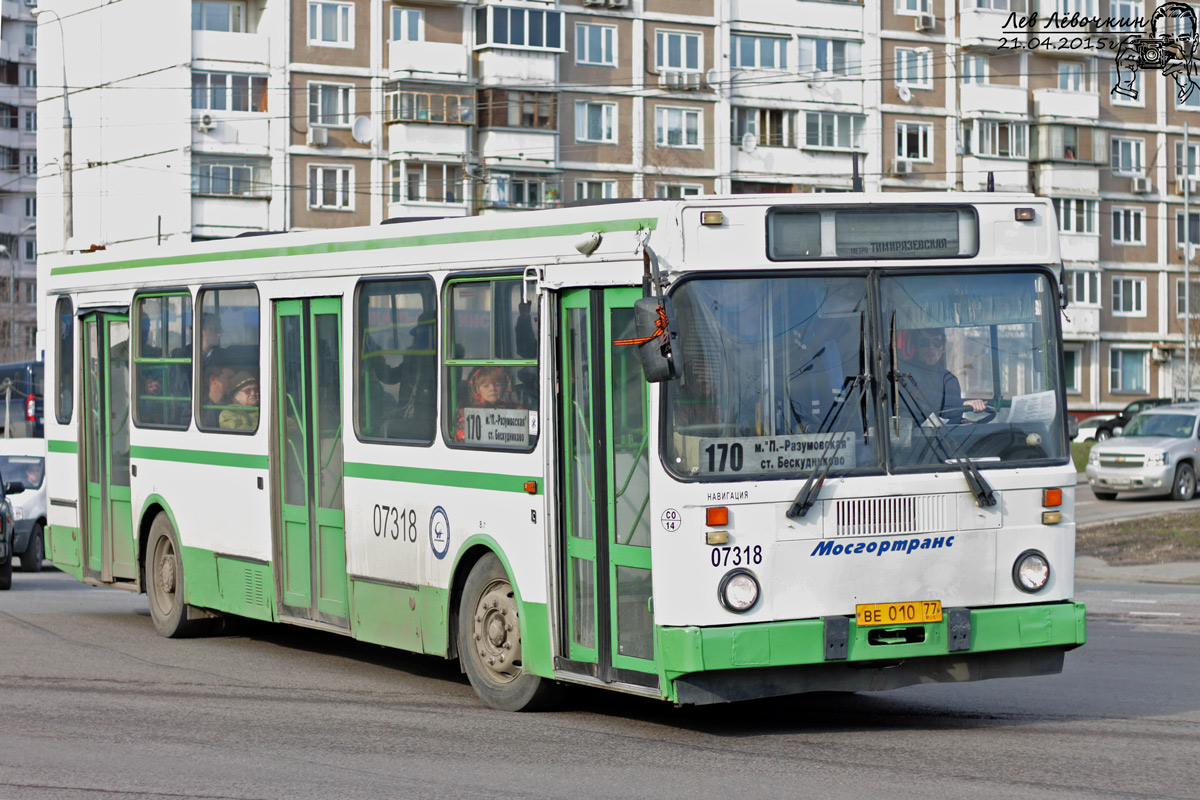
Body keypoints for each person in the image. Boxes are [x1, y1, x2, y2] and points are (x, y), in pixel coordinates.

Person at [899, 329, 986, 424]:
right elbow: (921, 395)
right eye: (924, 343)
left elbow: (954, 417)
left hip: (946, 437)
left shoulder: (949, 379)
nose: (931, 347)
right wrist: (963, 403)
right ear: (915, 347)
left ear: (943, 348)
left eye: (936, 343)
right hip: (913, 435)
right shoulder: (903, 372)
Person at [453, 366, 513, 443]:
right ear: (476, 389)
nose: (492, 388)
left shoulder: (515, 410)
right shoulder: (466, 414)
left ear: (504, 387)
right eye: (486, 386)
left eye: (497, 384)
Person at [200, 364, 235, 428]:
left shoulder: (234, 407)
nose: (232, 382)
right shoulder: (199, 409)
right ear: (213, 380)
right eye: (229, 378)